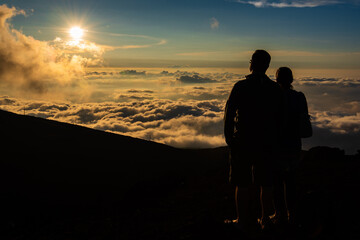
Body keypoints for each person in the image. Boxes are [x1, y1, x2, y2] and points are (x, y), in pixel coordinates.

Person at [224, 50, 284, 232]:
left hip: (243, 141)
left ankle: (242, 220)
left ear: (252, 64)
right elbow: (281, 118)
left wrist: (229, 139)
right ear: (267, 66)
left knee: (241, 181)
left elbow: (229, 114)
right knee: (266, 181)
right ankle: (265, 218)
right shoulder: (275, 89)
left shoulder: (241, 86)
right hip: (267, 142)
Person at [273, 67, 312, 226]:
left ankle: (279, 215)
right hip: (294, 144)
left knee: (277, 181)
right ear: (291, 79)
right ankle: (292, 214)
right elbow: (304, 118)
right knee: (291, 181)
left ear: (277, 79)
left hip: (277, 145)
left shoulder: (273, 97)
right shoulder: (299, 97)